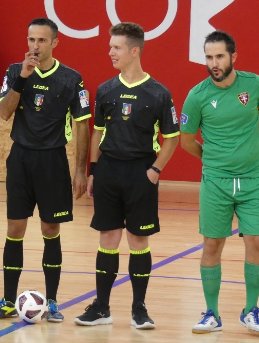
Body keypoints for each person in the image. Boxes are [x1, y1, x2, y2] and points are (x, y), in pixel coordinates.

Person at [0, 17, 91, 323]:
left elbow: (83, 125)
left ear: (54, 43)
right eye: (31, 39)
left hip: (53, 161)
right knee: (14, 228)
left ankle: (52, 302)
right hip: (20, 158)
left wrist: (80, 170)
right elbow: (4, 112)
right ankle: (8, 300)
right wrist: (23, 78)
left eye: (42, 40)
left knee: (50, 230)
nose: (35, 46)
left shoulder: (71, 78)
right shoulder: (14, 72)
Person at [74, 22, 179, 329]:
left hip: (140, 173)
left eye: (116, 47)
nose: (110, 52)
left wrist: (155, 170)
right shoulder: (106, 89)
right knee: (108, 238)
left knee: (138, 239)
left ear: (135, 51)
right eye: (111, 47)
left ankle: (139, 309)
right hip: (108, 171)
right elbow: (97, 132)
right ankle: (101, 308)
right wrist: (93, 171)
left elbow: (172, 137)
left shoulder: (159, 93)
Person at [180, 30, 259, 336]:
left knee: (256, 242)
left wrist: (249, 155)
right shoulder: (197, 95)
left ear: (233, 56)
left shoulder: (255, 85)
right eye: (209, 57)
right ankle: (212, 313)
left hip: (252, 181)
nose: (214, 63)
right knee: (212, 245)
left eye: (219, 56)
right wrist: (213, 160)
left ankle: (251, 310)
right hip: (215, 183)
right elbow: (186, 141)